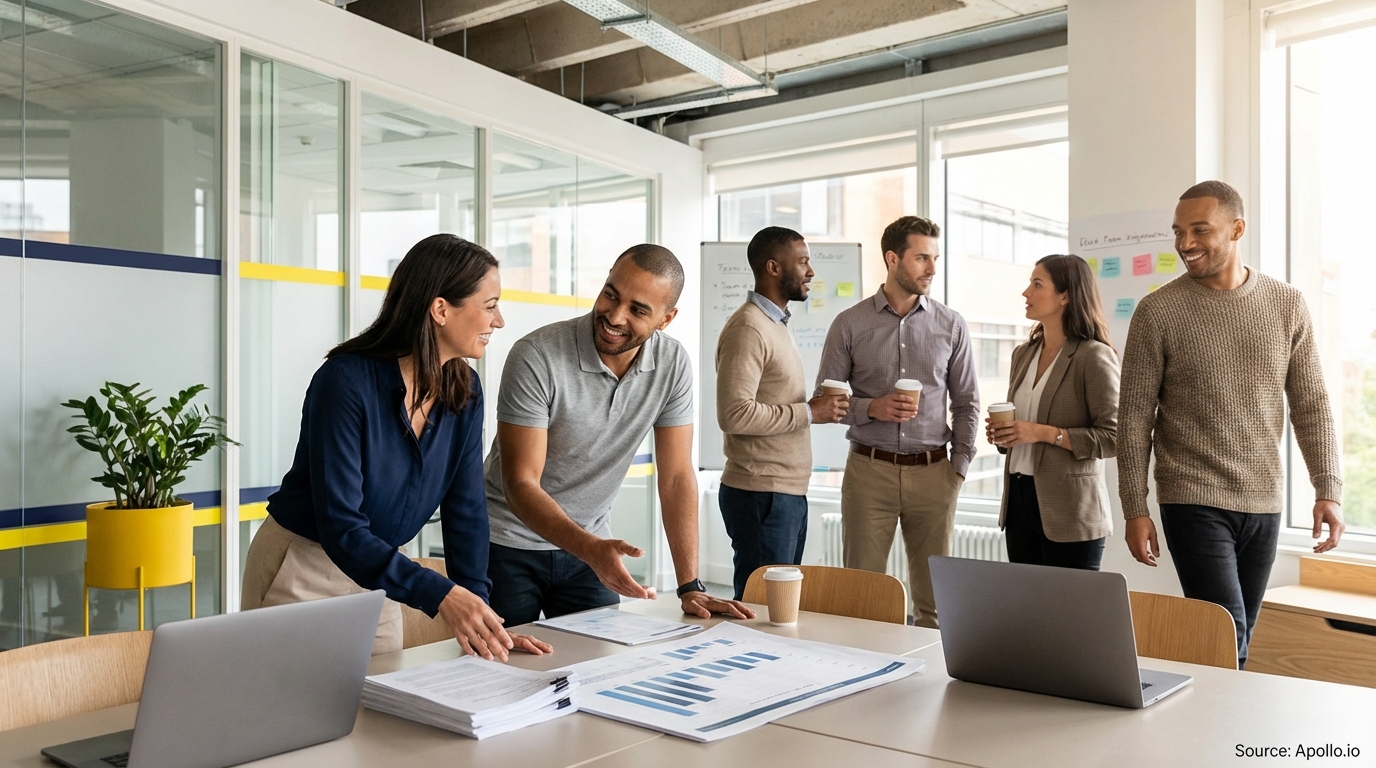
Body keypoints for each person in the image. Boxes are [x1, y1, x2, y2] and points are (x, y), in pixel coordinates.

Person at [242, 234, 551, 662]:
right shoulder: (344, 383)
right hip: (304, 567)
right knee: (288, 717)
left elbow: (467, 513)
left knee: (380, 715)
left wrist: (485, 621)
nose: (498, 321)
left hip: (381, 575)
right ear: (441, 309)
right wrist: (441, 595)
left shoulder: (465, 392)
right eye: (490, 305)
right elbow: (343, 527)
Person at [1119, 180, 1344, 668]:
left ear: (1237, 228)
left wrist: (1328, 488)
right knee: (1227, 630)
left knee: (1233, 637)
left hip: (1263, 500)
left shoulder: (1287, 304)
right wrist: (1135, 507)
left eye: (1200, 229)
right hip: (1192, 496)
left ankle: (1212, 731)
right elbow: (1135, 419)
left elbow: (1311, 404)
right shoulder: (1157, 311)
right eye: (1179, 231)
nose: (1185, 243)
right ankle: (1223, 741)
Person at [485, 244, 754, 625]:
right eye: (611, 294)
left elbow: (676, 477)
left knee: (598, 667)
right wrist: (591, 549)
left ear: (666, 318)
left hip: (590, 546)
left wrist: (690, 585)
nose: (614, 315)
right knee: (504, 673)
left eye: (638, 309)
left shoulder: (673, 363)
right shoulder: (536, 355)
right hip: (507, 542)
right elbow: (520, 483)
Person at [815, 216, 978, 628]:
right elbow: (826, 402)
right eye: (922, 257)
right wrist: (872, 408)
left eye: (934, 258)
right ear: (892, 258)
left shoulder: (951, 324)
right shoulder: (849, 324)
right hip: (869, 472)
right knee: (863, 596)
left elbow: (967, 403)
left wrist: (957, 466)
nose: (931, 268)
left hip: (934, 472)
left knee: (936, 605)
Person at [715, 227, 849, 600]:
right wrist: (808, 411)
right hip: (762, 493)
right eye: (803, 261)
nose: (811, 271)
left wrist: (814, 407)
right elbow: (734, 414)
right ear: (773, 267)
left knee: (779, 608)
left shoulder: (774, 324)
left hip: (782, 492)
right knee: (762, 609)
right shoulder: (749, 327)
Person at [985, 255, 1119, 571]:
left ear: (1065, 295)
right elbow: (1019, 432)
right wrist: (1003, 436)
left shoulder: (1093, 356)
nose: (1026, 293)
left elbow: (1115, 438)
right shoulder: (1023, 354)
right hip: (1019, 501)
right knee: (1029, 611)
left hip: (1071, 510)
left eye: (1037, 284)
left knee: (1070, 615)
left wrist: (1044, 433)